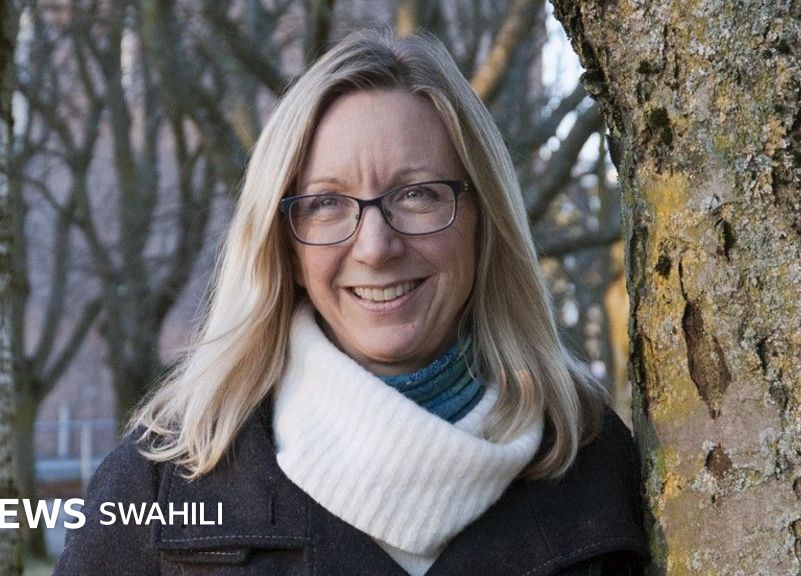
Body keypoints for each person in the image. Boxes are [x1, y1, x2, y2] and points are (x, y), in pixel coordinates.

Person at [53, 30, 647, 576]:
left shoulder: (596, 464)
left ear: (483, 222)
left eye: (418, 194)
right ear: (284, 246)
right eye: (326, 204)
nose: (376, 247)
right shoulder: (156, 488)